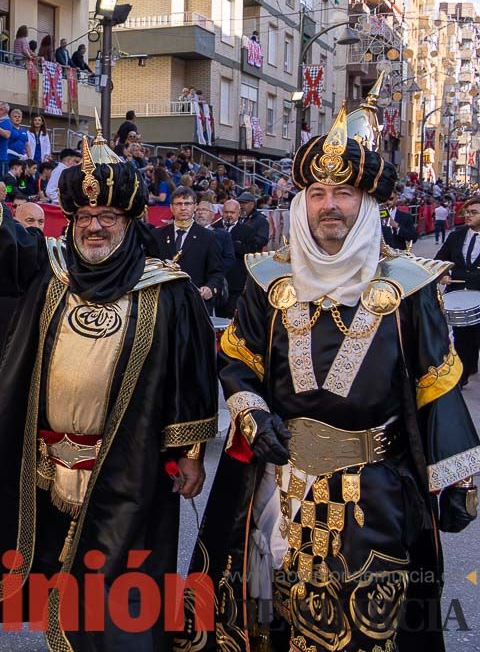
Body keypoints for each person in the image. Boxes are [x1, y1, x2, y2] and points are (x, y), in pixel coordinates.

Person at [183, 105, 480, 652]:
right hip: (277, 481)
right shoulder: (267, 278)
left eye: (342, 195)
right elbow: (238, 360)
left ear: (366, 204)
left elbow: (436, 384)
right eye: (317, 194)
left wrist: (457, 481)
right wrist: (252, 413)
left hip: (374, 489)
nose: (329, 206)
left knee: (365, 628)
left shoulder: (409, 287)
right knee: (264, 616)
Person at [0, 129, 218, 650]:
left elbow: (190, 378)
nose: (95, 227)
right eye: (85, 217)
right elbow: (1, 245)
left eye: (108, 218)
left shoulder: (168, 290)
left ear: (130, 223)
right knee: (53, 576)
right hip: (46, 461)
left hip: (126, 466)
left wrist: (191, 453)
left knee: (115, 591)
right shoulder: (52, 270)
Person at [0, 201, 46, 370]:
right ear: (16, 221)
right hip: (7, 341)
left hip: (41, 343)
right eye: (30, 220)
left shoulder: (53, 255)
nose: (36, 226)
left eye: (40, 221)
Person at [154, 186, 225, 314]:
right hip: (163, 305)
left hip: (195, 305)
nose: (183, 208)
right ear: (171, 207)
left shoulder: (209, 237)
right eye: (178, 204)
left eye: (187, 203)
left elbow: (217, 273)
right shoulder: (157, 235)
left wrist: (210, 288)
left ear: (195, 207)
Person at [436, 197, 480, 383]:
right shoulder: (456, 235)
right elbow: (439, 260)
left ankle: (470, 366)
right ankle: (461, 377)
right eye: (466, 212)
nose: (467, 216)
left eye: (473, 212)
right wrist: (442, 274)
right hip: (459, 297)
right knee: (462, 338)